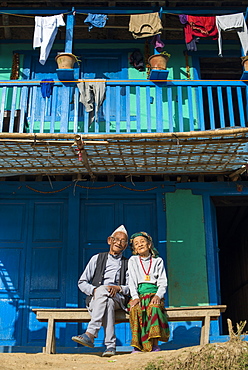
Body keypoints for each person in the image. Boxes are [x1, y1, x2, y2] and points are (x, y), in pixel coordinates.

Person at [71, 225, 129, 357]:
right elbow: (82, 282)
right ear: (110, 240)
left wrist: (118, 288)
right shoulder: (96, 258)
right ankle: (110, 346)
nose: (119, 243)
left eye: (123, 241)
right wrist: (94, 290)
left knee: (107, 297)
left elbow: (131, 287)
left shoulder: (128, 263)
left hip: (118, 299)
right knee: (106, 300)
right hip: (97, 299)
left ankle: (90, 333)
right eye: (116, 239)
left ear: (125, 246)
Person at [128, 231, 170, 352]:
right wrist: (135, 297)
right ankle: (137, 345)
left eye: (142, 242)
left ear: (149, 244)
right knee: (135, 309)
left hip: (154, 294)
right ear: (134, 249)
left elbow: (163, 282)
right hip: (139, 294)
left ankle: (155, 344)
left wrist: (158, 295)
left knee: (154, 308)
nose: (140, 245)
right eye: (136, 244)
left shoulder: (158, 261)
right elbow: (132, 280)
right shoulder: (133, 260)